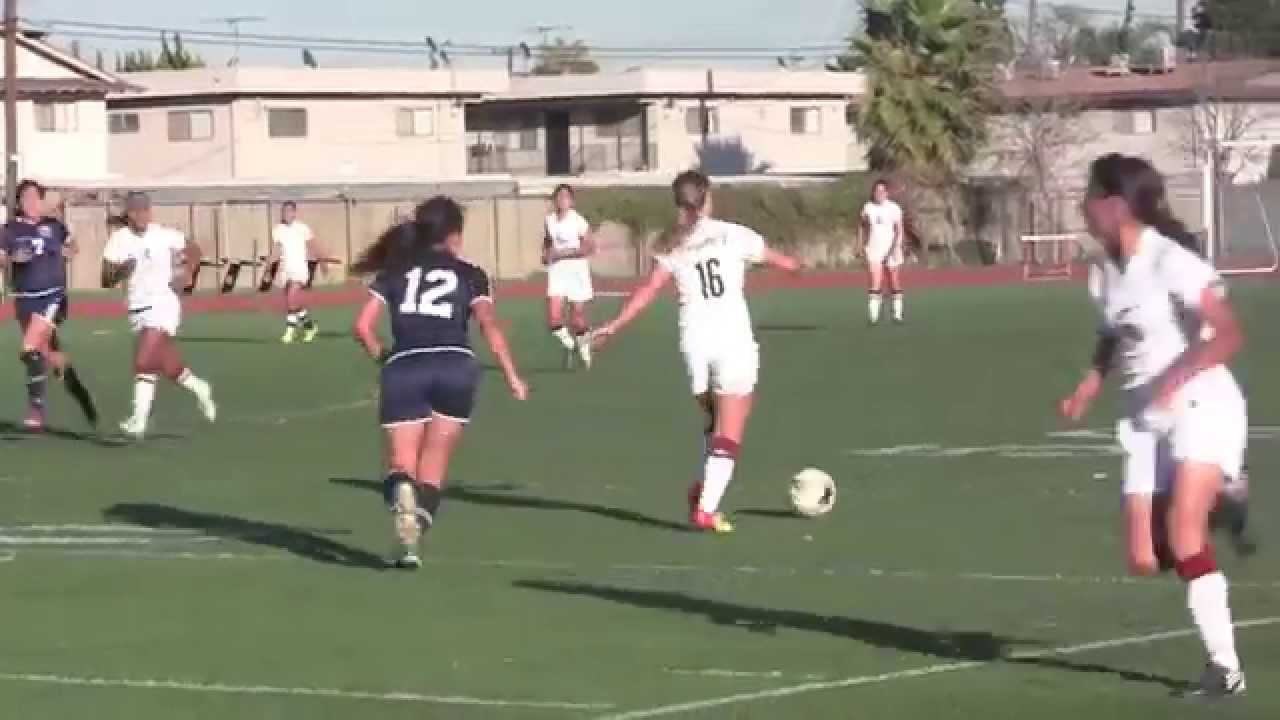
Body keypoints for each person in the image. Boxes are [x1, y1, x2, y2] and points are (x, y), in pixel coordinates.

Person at [1060, 153, 1250, 697]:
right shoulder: (1102, 271)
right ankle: (1222, 493)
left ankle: (1224, 668)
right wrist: (1090, 383)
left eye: (1089, 195)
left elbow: (1229, 333)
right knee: (1145, 557)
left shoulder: (1171, 261)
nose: (1081, 205)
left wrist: (1176, 376)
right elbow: (1112, 333)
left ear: (1115, 204)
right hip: (1142, 418)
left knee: (1185, 534)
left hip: (1199, 403)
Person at [593, 171, 801, 533]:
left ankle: (704, 489)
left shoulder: (672, 244)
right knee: (730, 429)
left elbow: (647, 291)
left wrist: (613, 325)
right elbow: (784, 262)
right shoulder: (735, 234)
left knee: (715, 423)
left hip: (694, 347)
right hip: (731, 340)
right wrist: (794, 266)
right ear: (707, 199)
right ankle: (706, 508)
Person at [352, 196, 528, 568]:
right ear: (454, 236)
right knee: (435, 463)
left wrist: (385, 358)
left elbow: (362, 327)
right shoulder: (471, 274)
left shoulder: (395, 271)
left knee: (402, 464)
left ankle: (402, 494)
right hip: (456, 366)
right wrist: (512, 374)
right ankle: (411, 543)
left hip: (406, 366)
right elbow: (489, 326)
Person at [102, 191, 217, 439]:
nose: (141, 215)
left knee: (143, 361)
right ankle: (201, 388)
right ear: (128, 214)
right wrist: (122, 270)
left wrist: (187, 274)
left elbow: (195, 250)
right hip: (137, 308)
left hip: (163, 305)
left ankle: (138, 420)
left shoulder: (164, 235)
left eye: (145, 210)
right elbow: (106, 278)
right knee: (170, 367)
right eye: (136, 211)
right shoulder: (118, 239)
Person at [0, 180, 97, 430]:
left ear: (42, 201)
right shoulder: (10, 229)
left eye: (35, 197)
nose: (31, 202)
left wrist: (69, 249)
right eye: (26, 198)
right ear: (19, 203)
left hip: (53, 297)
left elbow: (73, 247)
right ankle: (76, 386)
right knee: (46, 354)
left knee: (30, 350)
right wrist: (11, 258)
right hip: (25, 300)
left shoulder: (54, 225)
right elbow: (2, 257)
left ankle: (36, 411)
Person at [542, 184, 595, 369]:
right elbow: (548, 242)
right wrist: (546, 254)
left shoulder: (578, 221)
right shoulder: (549, 220)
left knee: (577, 320)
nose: (561, 200)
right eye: (558, 197)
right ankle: (570, 345)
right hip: (557, 271)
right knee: (553, 318)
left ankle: (585, 350)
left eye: (565, 197)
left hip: (576, 271)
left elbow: (589, 247)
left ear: (571, 201)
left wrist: (562, 254)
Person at [268, 201, 320, 344]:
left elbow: (313, 245)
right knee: (292, 302)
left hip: (300, 269)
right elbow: (276, 249)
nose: (286, 214)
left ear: (294, 213)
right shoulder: (278, 229)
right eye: (283, 211)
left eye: (289, 211)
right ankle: (309, 326)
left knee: (291, 297)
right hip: (286, 269)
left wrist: (321, 262)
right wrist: (269, 263)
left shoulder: (303, 228)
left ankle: (290, 331)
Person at [859, 179, 905, 324]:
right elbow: (861, 226)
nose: (879, 194)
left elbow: (899, 230)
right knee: (875, 281)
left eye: (882, 191)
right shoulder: (868, 207)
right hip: (874, 248)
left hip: (891, 248)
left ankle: (897, 314)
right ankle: (873, 316)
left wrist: (895, 247)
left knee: (894, 281)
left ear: (887, 193)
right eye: (876, 191)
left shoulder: (894, 208)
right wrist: (859, 244)